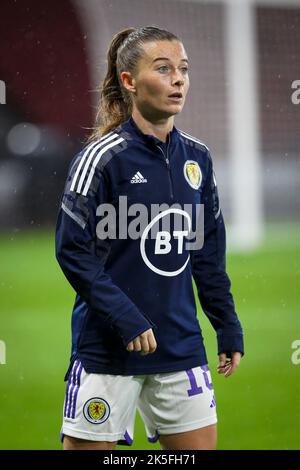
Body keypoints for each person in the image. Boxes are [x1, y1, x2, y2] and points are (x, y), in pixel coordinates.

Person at [55, 25, 244, 451]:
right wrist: (125, 316)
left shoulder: (198, 158)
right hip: (108, 351)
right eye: (163, 69)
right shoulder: (101, 158)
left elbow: (208, 253)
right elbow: (72, 250)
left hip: (180, 347)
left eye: (183, 69)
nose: (179, 79)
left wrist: (226, 324)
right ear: (129, 81)